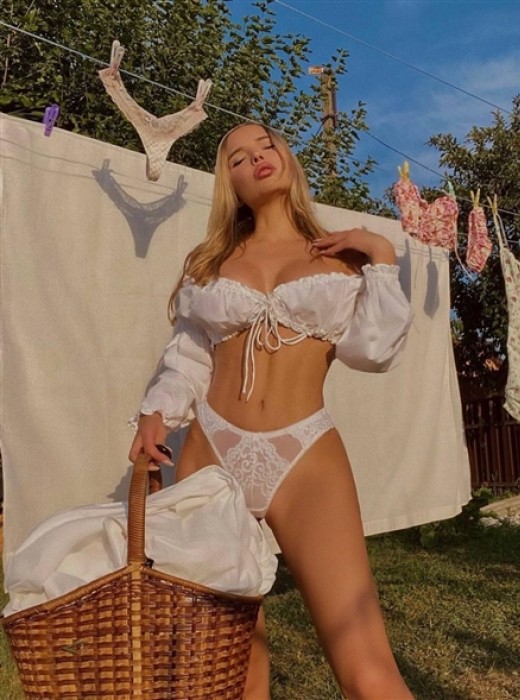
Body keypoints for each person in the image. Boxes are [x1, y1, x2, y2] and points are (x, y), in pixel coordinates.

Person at [129, 122, 415, 700]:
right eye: (239, 158)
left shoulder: (341, 257)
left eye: (267, 146)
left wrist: (381, 256)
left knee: (367, 669)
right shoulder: (210, 262)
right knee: (231, 673)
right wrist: (157, 413)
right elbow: (189, 355)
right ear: (229, 184)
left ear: (286, 157)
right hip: (212, 452)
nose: (257, 158)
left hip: (305, 454)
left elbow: (374, 352)